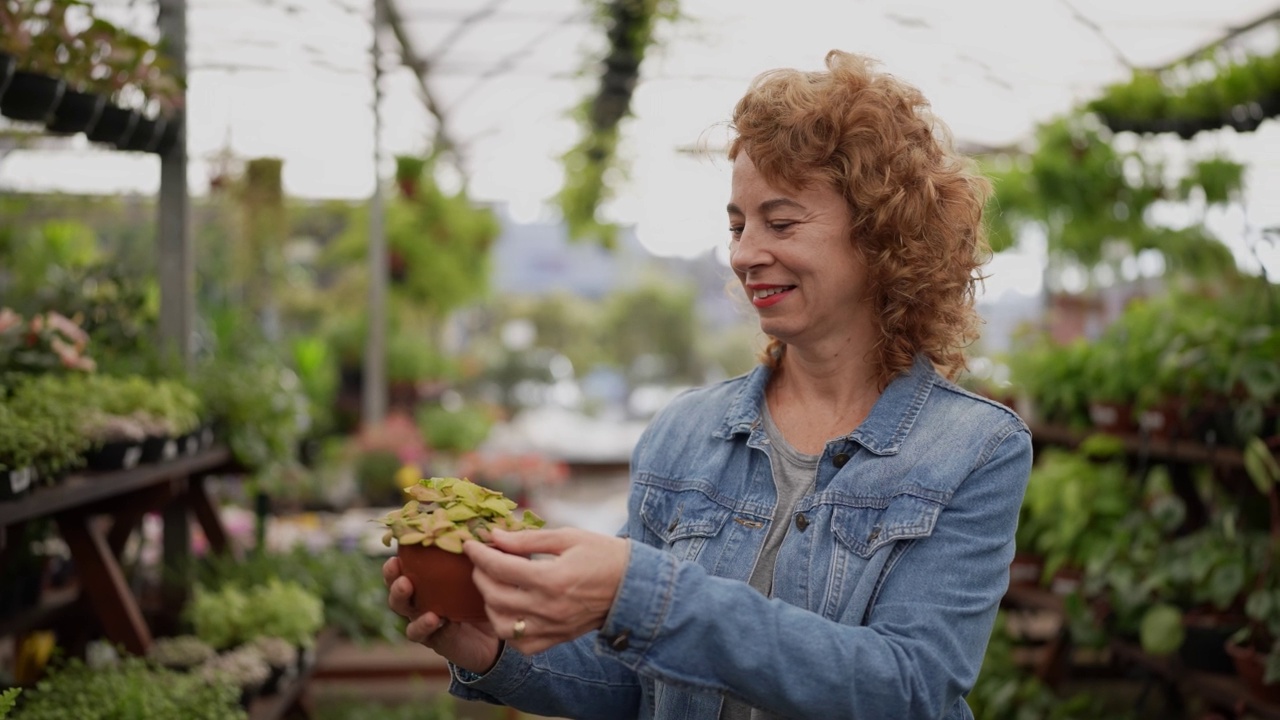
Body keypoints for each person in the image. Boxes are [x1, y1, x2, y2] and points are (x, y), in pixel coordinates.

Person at [384, 49, 1032, 720]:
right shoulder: (686, 433)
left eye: (780, 222)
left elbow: (906, 688)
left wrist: (645, 592)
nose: (746, 252)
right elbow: (630, 684)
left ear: (881, 234)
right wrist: (488, 647)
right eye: (737, 224)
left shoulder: (973, 449)